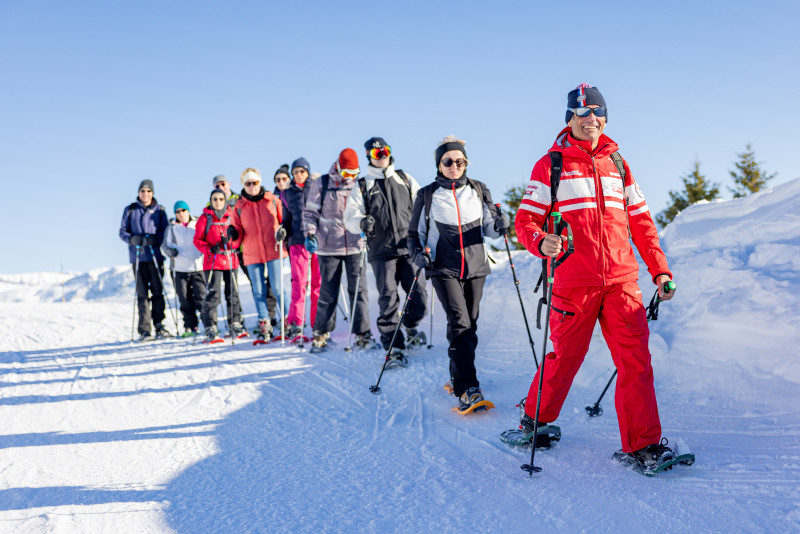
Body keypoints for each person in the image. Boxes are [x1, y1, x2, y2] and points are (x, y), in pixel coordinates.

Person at [514, 83, 676, 468]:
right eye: (582, 113)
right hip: (574, 283)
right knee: (565, 357)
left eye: (597, 112)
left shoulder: (618, 163)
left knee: (636, 361)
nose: (591, 120)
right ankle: (535, 418)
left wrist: (659, 271)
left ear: (605, 116)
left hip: (622, 281)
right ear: (570, 117)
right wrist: (540, 242)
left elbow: (642, 223)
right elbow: (525, 220)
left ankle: (642, 445)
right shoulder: (551, 165)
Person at [408, 136, 508, 411]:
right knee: (460, 322)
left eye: (459, 161)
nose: (454, 165)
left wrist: (501, 224)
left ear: (466, 163)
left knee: (469, 326)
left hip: (476, 266)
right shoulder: (427, 194)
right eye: (448, 161)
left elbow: (491, 229)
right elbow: (413, 235)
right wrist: (418, 253)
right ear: (439, 164)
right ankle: (467, 387)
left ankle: (457, 374)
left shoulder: (478, 189)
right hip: (443, 267)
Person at [344, 137, 427, 362]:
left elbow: (422, 209)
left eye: (385, 151)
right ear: (369, 157)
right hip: (381, 252)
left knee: (419, 297)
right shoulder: (363, 185)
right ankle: (394, 347)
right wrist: (361, 222)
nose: (381, 156)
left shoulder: (404, 179)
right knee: (388, 299)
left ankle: (409, 325)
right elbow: (349, 217)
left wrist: (425, 235)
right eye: (376, 154)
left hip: (409, 248)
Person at [302, 148, 376, 352]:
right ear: (338, 167)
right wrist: (310, 234)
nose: (349, 178)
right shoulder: (322, 184)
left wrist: (367, 226)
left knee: (359, 290)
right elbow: (309, 214)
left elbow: (368, 211)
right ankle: (321, 333)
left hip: (355, 245)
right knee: (328, 291)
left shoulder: (360, 185)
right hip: (328, 246)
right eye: (346, 174)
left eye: (354, 173)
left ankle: (363, 333)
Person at [231, 168, 290, 341]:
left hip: (274, 249)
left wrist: (283, 232)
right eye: (248, 183)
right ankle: (265, 321)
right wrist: (232, 233)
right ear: (243, 185)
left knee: (278, 288)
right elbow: (237, 230)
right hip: (252, 252)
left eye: (255, 182)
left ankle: (288, 320)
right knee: (258, 290)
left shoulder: (272, 201)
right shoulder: (240, 206)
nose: (252, 186)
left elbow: (283, 221)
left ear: (260, 182)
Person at [119, 179, 171, 341]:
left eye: (149, 191)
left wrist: (156, 240)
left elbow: (165, 231)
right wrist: (132, 239)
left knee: (157, 291)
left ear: (152, 193)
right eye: (143, 191)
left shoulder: (159, 210)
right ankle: (144, 329)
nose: (146, 194)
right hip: (138, 257)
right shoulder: (130, 210)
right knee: (142, 294)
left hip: (155, 255)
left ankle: (159, 325)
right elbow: (122, 231)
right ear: (139, 193)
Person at [194, 188, 245, 343]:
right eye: (214, 199)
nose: (218, 202)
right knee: (213, 293)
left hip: (230, 259)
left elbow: (239, 236)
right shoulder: (205, 218)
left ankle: (235, 323)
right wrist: (209, 249)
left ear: (225, 200)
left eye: (221, 199)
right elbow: (197, 240)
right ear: (211, 201)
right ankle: (210, 326)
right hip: (213, 260)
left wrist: (231, 241)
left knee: (233, 292)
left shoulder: (232, 216)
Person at [284, 157, 321, 340]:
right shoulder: (288, 193)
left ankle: (317, 325)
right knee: (299, 283)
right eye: (295, 172)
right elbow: (285, 218)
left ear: (307, 172)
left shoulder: (316, 188)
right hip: (297, 241)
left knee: (317, 285)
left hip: (317, 241)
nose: (298, 175)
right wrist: (282, 231)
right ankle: (297, 323)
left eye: (302, 171)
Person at [161, 200, 206, 337]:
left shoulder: (197, 223)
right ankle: (190, 326)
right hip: (179, 269)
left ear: (188, 211)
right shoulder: (171, 228)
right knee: (185, 299)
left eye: (183, 210)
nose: (181, 214)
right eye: (178, 211)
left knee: (201, 297)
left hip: (197, 266)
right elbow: (164, 247)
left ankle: (208, 324)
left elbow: (204, 238)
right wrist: (170, 252)